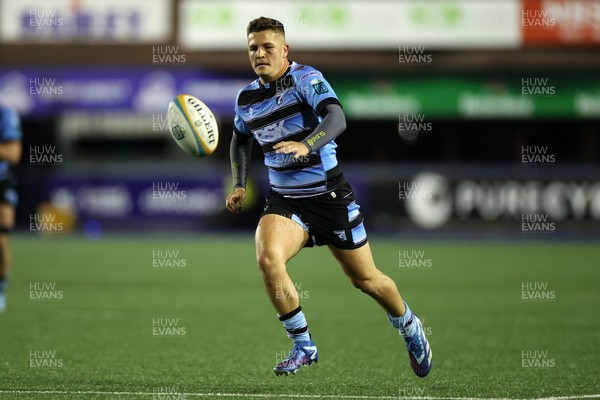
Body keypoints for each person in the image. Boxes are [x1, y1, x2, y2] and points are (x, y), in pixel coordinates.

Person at [225, 17, 432, 377]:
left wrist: (306, 145)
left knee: (366, 281)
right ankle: (303, 345)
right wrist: (240, 183)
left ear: (284, 50)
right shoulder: (246, 98)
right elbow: (239, 139)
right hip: (285, 199)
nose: (259, 54)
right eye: (253, 48)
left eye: (267, 47)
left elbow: (337, 118)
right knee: (268, 256)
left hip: (328, 195)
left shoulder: (306, 79)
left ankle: (409, 326)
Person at [0, 106, 22, 312]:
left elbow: (13, 153)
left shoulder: (5, 113)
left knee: (1, 240)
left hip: (1, 182)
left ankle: (0, 287)